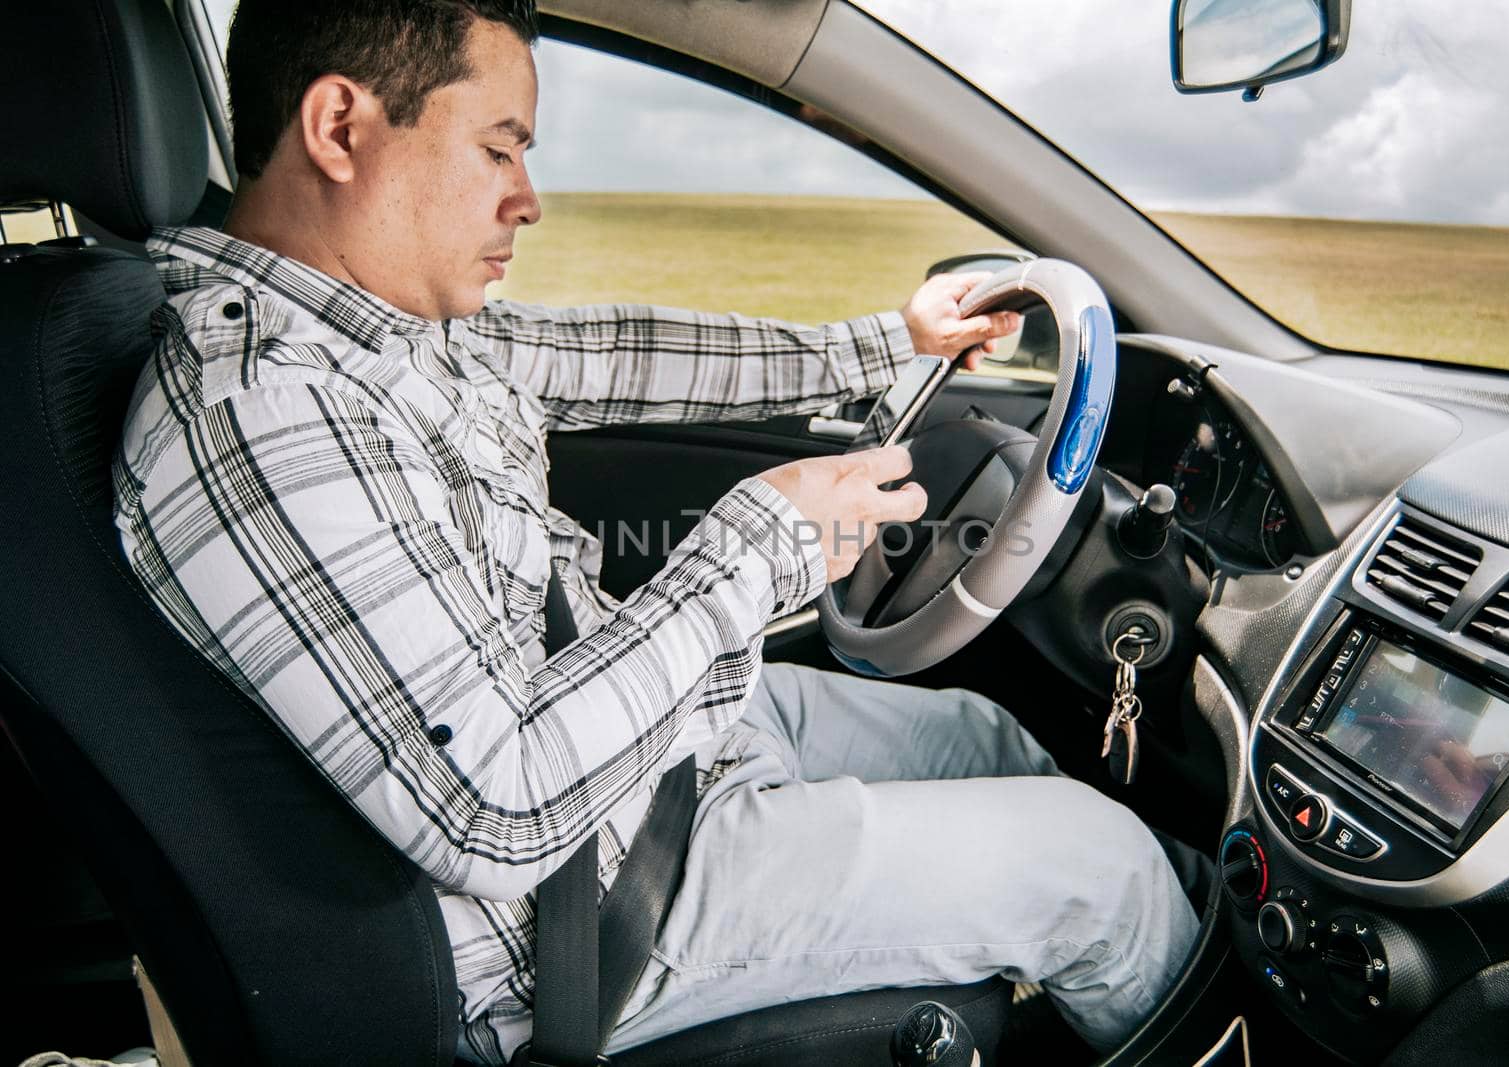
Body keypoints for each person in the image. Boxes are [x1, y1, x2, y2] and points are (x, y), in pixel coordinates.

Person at [113, 1, 1199, 1061]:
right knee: (1099, 870)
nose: (527, 199)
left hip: (644, 763)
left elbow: (616, 353)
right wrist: (756, 541)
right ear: (341, 128)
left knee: (985, 738)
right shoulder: (263, 410)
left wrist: (884, 343)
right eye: (500, 149)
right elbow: (497, 803)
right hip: (585, 919)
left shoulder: (375, 327)